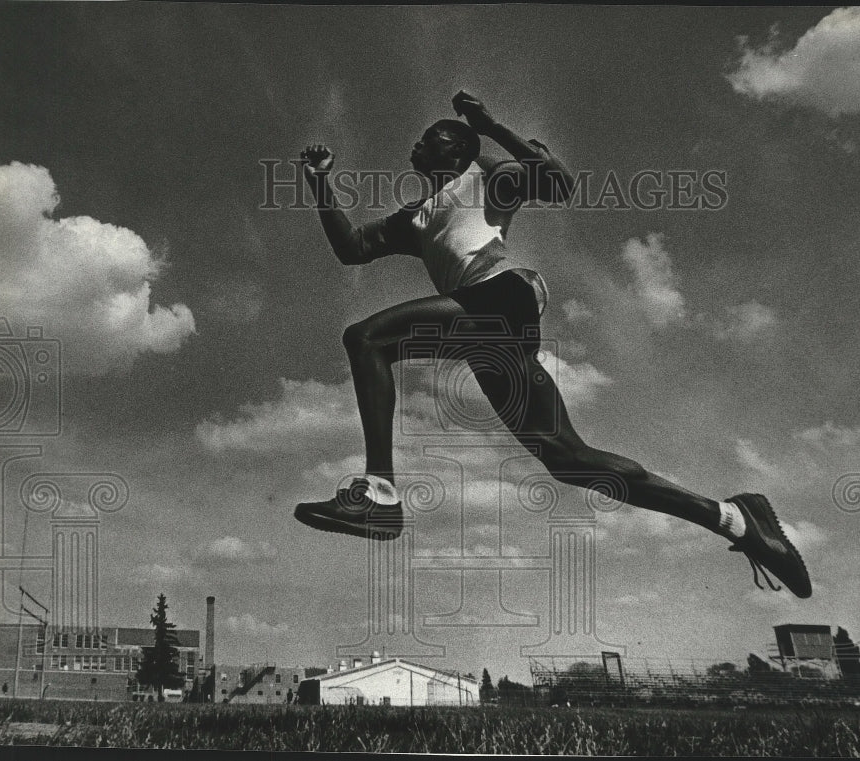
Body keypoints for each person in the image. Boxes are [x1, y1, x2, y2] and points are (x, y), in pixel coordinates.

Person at [294, 90, 811, 599]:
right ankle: (734, 520)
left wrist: (493, 127)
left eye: (428, 138)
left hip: (499, 299)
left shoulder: (486, 180)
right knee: (568, 460)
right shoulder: (417, 216)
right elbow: (352, 248)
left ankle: (380, 493)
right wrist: (321, 184)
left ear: (456, 151)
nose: (415, 145)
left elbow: (558, 183)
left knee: (367, 338)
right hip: (483, 335)